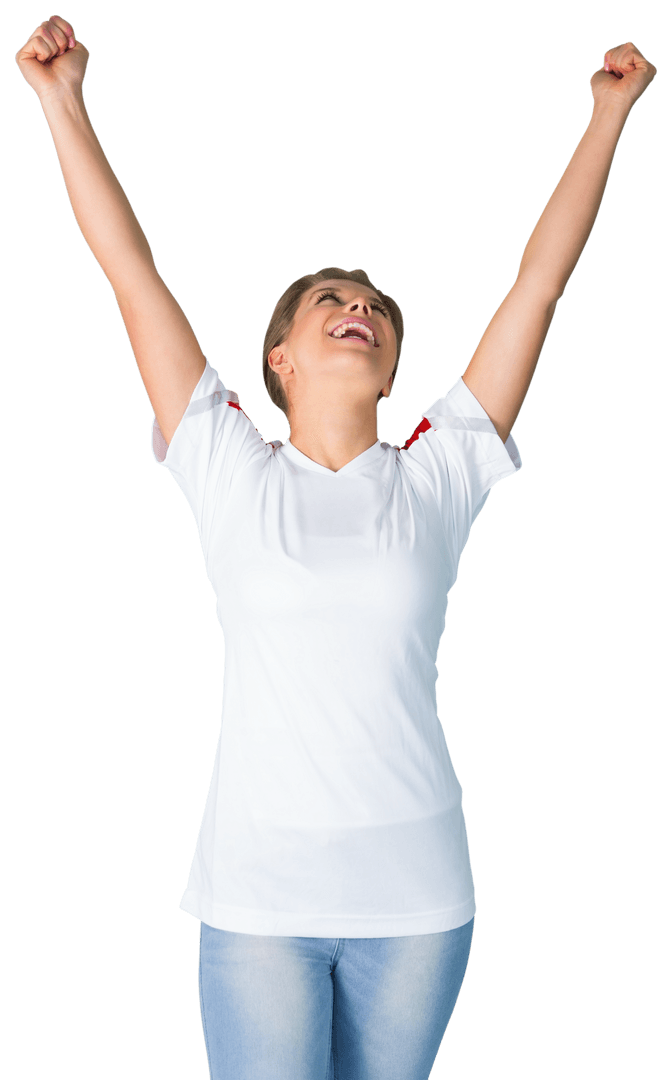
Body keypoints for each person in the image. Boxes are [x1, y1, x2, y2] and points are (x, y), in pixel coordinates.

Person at [16, 17, 656, 1080]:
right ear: (279, 359)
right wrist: (60, 100)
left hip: (418, 902)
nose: (358, 307)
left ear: (393, 367)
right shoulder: (227, 464)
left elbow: (537, 285)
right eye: (331, 302)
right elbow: (130, 274)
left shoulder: (439, 472)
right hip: (259, 899)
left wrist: (609, 114)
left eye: (373, 308)